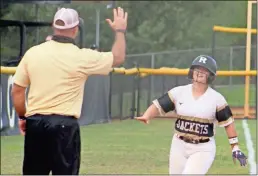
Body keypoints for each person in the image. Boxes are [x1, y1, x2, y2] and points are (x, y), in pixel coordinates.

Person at [11, 7, 128, 175]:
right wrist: (120, 30)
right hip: (64, 126)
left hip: (35, 123)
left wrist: (23, 116)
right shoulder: (82, 57)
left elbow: (17, 90)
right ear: (75, 29)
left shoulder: (33, 53)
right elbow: (118, 57)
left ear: (53, 26)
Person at [136, 55, 247, 174]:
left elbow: (228, 123)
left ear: (211, 76)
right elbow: (159, 105)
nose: (199, 72)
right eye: (197, 69)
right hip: (178, 144)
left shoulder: (217, 99)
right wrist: (147, 115)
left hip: (203, 148)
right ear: (192, 72)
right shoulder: (179, 92)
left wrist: (235, 147)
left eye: (204, 70)